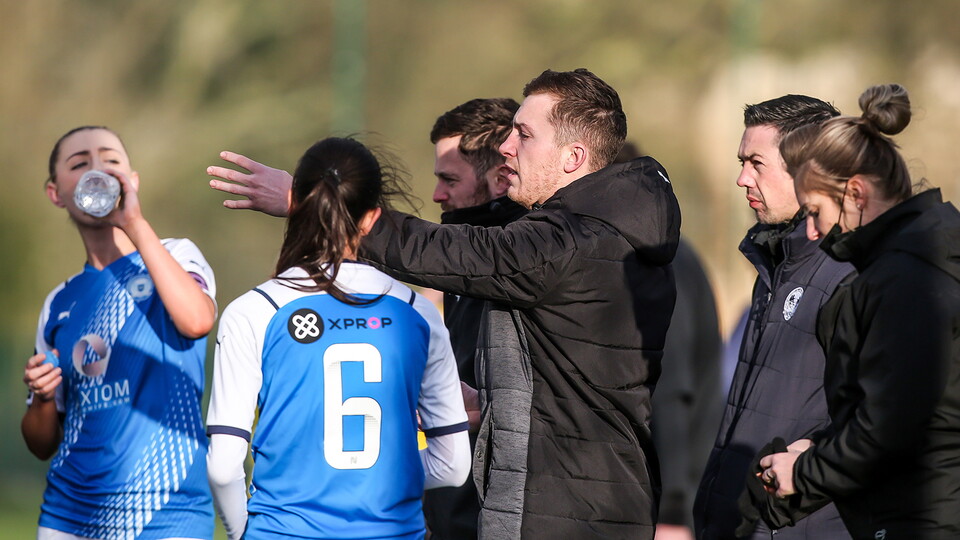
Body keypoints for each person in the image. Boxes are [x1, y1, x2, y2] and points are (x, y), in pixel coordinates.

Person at [207, 68, 680, 539]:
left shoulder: (572, 241)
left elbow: (463, 253)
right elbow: (575, 384)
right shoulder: (602, 231)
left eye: (524, 135)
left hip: (562, 511)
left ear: (573, 157)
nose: (507, 147)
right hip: (594, 498)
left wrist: (317, 204)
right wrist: (493, 401)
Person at [205, 137, 471, 540]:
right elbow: (452, 466)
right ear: (371, 219)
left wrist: (246, 531)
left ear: (295, 206)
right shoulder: (418, 312)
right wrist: (374, 476)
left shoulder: (252, 311)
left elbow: (224, 467)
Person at [755, 83, 960, 539]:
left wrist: (804, 472)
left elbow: (893, 426)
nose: (812, 231)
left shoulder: (908, 279)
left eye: (815, 211)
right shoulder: (917, 261)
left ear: (856, 194)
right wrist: (819, 450)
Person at [21, 126, 217, 539]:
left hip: (167, 511)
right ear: (56, 193)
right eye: (79, 164)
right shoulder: (59, 301)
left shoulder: (176, 255)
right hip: (69, 516)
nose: (98, 170)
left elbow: (196, 321)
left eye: (110, 160)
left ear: (132, 180)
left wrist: (134, 222)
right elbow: (41, 444)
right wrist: (41, 398)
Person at [693, 95, 854, 540]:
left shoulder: (852, 274)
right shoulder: (776, 265)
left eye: (756, 163)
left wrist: (810, 458)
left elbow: (895, 413)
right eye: (741, 161)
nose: (742, 178)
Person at [423, 97, 528, 540]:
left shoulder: (522, 260)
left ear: (500, 177)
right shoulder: (461, 259)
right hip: (450, 511)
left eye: (450, 179)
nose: (437, 194)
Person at [614, 143, 724, 540]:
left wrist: (674, 508)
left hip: (675, 497)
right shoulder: (673, 252)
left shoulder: (659, 260)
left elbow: (673, 389)